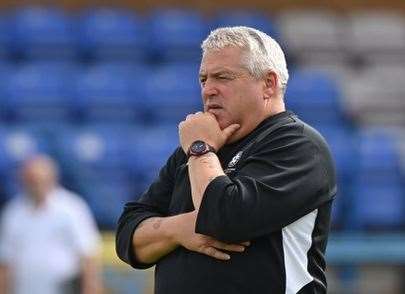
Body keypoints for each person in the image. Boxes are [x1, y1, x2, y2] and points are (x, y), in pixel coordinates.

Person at [116, 26, 336, 294]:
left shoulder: (299, 146)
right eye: (203, 79)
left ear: (268, 83)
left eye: (222, 77)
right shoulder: (196, 149)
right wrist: (177, 229)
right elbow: (128, 236)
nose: (208, 90)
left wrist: (200, 149)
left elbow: (223, 220)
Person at [0, 155, 102, 294]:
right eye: (31, 180)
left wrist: (90, 289)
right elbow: (5, 263)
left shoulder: (72, 207)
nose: (36, 185)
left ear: (52, 179)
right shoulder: (13, 213)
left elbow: (88, 256)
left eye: (40, 180)